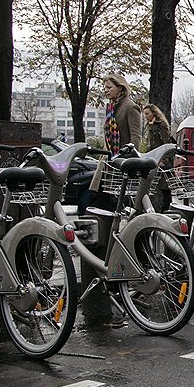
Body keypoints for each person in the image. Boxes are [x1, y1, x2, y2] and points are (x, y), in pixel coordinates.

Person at [82, 73, 141, 329]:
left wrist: (128, 160)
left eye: (109, 86)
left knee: (107, 213)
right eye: (104, 86)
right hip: (109, 163)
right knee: (96, 208)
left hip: (120, 165)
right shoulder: (110, 107)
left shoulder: (131, 107)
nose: (105, 90)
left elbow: (136, 138)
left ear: (120, 88)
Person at [143, 104, 173, 212]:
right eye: (144, 114)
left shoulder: (161, 125)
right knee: (155, 186)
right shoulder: (149, 125)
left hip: (161, 160)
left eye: (147, 114)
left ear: (154, 113)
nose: (145, 116)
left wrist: (164, 160)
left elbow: (166, 143)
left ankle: (165, 210)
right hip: (153, 158)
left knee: (164, 188)